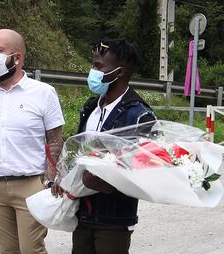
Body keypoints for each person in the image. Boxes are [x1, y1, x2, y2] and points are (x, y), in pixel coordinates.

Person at [53, 39, 156, 254]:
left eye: (99, 67)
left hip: (114, 219)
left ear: (120, 72)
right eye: (93, 65)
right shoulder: (92, 107)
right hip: (83, 212)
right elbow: (77, 149)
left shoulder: (139, 115)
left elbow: (147, 169)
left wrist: (108, 185)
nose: (93, 71)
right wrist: (62, 176)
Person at [0, 29, 65, 254]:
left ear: (17, 58)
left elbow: (55, 140)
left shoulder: (44, 93)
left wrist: (48, 182)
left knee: (32, 250)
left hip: (31, 185)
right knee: (8, 250)